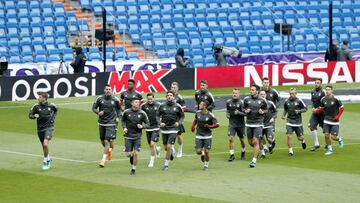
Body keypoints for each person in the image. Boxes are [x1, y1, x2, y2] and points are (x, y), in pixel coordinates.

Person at [92, 85, 121, 168]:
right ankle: (109, 150)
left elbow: (119, 109)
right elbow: (93, 108)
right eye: (106, 89)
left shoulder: (115, 99)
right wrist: (98, 112)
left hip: (111, 123)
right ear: (104, 90)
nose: (108, 90)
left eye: (109, 89)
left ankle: (103, 160)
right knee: (103, 141)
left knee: (107, 141)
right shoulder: (99, 98)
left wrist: (118, 117)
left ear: (111, 90)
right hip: (102, 122)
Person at [29, 92, 58, 171]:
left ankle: (45, 161)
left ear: (44, 98)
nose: (38, 98)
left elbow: (56, 110)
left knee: (45, 144)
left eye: (40, 97)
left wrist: (53, 119)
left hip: (49, 128)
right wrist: (34, 116)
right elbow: (30, 115)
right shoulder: (36, 106)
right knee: (44, 146)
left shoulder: (51, 105)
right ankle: (48, 158)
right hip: (40, 129)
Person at [157, 91, 185, 171]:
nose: (169, 97)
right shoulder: (162, 106)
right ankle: (171, 152)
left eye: (171, 95)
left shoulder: (177, 106)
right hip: (164, 129)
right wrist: (160, 123)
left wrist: (178, 123)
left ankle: (166, 165)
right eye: (168, 95)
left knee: (169, 146)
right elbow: (157, 115)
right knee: (166, 148)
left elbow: (182, 116)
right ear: (166, 97)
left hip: (173, 129)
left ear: (173, 97)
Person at [314, 85, 344, 155]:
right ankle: (330, 149)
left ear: (332, 91)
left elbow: (342, 108)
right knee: (326, 135)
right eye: (326, 90)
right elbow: (321, 108)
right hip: (326, 120)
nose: (327, 91)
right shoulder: (323, 99)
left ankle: (339, 139)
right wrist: (316, 110)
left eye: (329, 90)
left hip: (335, 121)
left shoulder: (336, 99)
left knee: (333, 137)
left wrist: (338, 116)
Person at [122, 98, 149, 175]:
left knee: (136, 153)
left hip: (137, 136)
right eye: (136, 102)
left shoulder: (142, 113)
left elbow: (148, 124)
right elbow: (123, 120)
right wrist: (124, 128)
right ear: (132, 103)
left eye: (138, 102)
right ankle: (131, 155)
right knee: (128, 154)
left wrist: (142, 126)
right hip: (128, 136)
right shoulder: (126, 112)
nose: (137, 103)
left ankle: (133, 169)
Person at [243, 84, 267, 168]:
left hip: (258, 123)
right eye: (251, 89)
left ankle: (254, 161)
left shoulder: (262, 100)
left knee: (255, 141)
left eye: (253, 90)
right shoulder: (246, 99)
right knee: (251, 142)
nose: (251, 91)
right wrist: (246, 110)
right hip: (249, 123)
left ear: (257, 91)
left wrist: (262, 112)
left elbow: (266, 110)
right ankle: (262, 148)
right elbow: (243, 109)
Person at [191, 100, 220, 170]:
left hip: (207, 135)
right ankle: (202, 153)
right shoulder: (197, 113)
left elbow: (217, 124)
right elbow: (195, 120)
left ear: (205, 106)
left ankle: (206, 165)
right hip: (199, 135)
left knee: (207, 151)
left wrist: (209, 126)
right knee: (198, 152)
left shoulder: (210, 115)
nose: (199, 105)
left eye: (200, 104)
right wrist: (192, 127)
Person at [282, 88, 307, 156]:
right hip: (289, 121)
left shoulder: (299, 100)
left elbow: (305, 108)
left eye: (293, 94)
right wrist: (283, 115)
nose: (291, 95)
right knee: (289, 136)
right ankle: (291, 151)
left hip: (298, 122)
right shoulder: (286, 101)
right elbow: (285, 109)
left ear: (296, 93)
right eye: (290, 94)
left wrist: (299, 111)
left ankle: (303, 141)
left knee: (300, 137)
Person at [141, 93, 161, 167]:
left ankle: (151, 161)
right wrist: (142, 124)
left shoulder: (159, 105)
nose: (150, 100)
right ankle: (157, 149)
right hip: (148, 128)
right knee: (150, 145)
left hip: (156, 127)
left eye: (151, 99)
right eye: (148, 99)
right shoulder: (143, 106)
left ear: (154, 98)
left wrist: (161, 122)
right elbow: (141, 115)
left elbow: (162, 114)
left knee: (152, 144)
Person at [226, 88, 246, 162]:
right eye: (233, 93)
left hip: (240, 124)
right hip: (232, 124)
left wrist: (239, 113)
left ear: (239, 94)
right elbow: (227, 110)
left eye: (236, 93)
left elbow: (245, 113)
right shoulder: (228, 102)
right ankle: (232, 155)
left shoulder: (242, 103)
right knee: (231, 139)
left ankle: (243, 151)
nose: (234, 94)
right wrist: (227, 114)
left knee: (242, 140)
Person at [308, 79, 325, 151]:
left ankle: (328, 145)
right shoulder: (312, 91)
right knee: (311, 126)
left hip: (323, 113)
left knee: (326, 130)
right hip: (315, 113)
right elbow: (312, 101)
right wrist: (313, 108)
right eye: (315, 83)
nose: (316, 84)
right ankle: (316, 144)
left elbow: (325, 103)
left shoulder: (323, 92)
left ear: (321, 84)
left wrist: (318, 109)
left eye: (318, 83)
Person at [170, 82, 187, 158]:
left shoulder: (179, 97)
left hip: (177, 119)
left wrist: (179, 116)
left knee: (179, 135)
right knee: (170, 134)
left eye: (174, 87)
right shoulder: (169, 96)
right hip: (169, 119)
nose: (173, 89)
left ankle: (180, 150)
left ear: (177, 88)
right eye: (172, 87)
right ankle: (172, 149)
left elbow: (184, 108)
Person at [259, 90, 277, 156]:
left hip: (269, 124)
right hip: (259, 124)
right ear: (259, 95)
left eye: (264, 94)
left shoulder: (270, 103)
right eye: (261, 94)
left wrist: (273, 118)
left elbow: (275, 112)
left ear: (266, 95)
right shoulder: (256, 103)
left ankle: (271, 143)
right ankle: (263, 152)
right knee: (260, 138)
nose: (262, 95)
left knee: (269, 139)